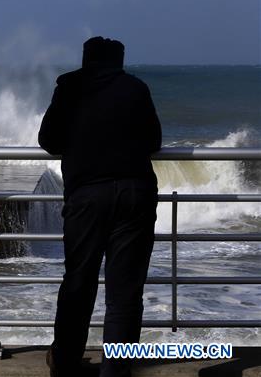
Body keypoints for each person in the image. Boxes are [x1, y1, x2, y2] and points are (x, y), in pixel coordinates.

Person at [39, 37, 162, 377]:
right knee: (124, 292)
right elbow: (154, 141)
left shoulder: (69, 85)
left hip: (88, 196)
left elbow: (48, 141)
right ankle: (115, 371)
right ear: (119, 61)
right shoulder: (136, 88)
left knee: (78, 281)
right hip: (135, 193)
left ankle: (64, 364)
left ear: (86, 59)